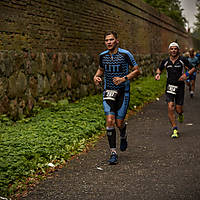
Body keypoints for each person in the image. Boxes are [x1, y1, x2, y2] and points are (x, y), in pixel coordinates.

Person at [93, 31, 140, 164]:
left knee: (119, 123)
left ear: (117, 41)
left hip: (123, 92)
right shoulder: (102, 56)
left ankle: (123, 134)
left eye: (111, 40)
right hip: (108, 91)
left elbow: (137, 70)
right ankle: (113, 153)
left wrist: (123, 78)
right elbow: (101, 70)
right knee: (109, 120)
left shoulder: (126, 54)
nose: (108, 42)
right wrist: (96, 77)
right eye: (106, 40)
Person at [155, 42, 195, 138]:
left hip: (180, 87)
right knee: (170, 106)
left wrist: (186, 75)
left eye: (175, 49)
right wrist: (158, 74)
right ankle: (174, 129)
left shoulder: (182, 60)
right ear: (169, 50)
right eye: (172, 49)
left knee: (178, 109)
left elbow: (193, 68)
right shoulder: (165, 61)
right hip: (170, 87)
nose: (173, 50)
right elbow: (159, 69)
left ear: (178, 50)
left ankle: (180, 114)